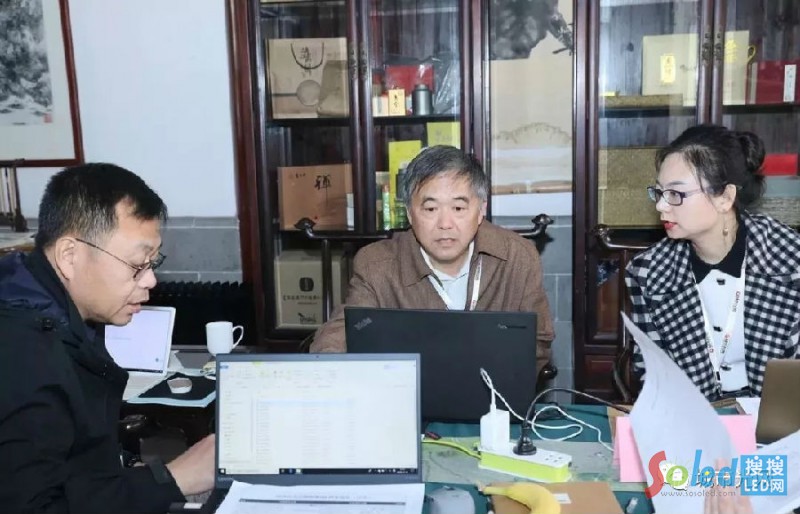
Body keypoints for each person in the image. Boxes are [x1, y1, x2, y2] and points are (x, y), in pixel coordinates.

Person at [0, 163, 215, 512]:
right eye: (137, 265)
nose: (150, 281)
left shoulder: (63, 311)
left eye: (153, 262)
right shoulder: (23, 356)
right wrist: (173, 478)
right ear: (69, 256)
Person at [310, 145, 555, 373]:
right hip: (410, 395)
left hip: (494, 394)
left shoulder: (517, 257)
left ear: (481, 210)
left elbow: (538, 340)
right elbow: (340, 335)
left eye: (458, 208)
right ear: (409, 213)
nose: (445, 224)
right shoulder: (376, 266)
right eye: (430, 209)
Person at [626, 125, 800, 401]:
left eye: (676, 194)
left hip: (776, 415)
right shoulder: (647, 272)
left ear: (725, 197)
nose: (661, 206)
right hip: (692, 414)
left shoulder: (791, 260)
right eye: (659, 192)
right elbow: (653, 372)